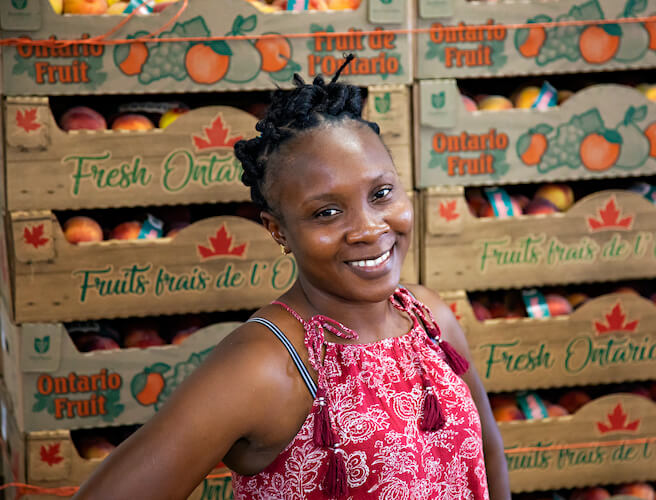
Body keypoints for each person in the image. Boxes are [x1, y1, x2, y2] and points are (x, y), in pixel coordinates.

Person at [74, 56, 510, 500]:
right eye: (327, 212)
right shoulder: (263, 364)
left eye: (381, 194)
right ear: (278, 230)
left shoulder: (430, 317)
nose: (369, 229)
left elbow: (489, 457)